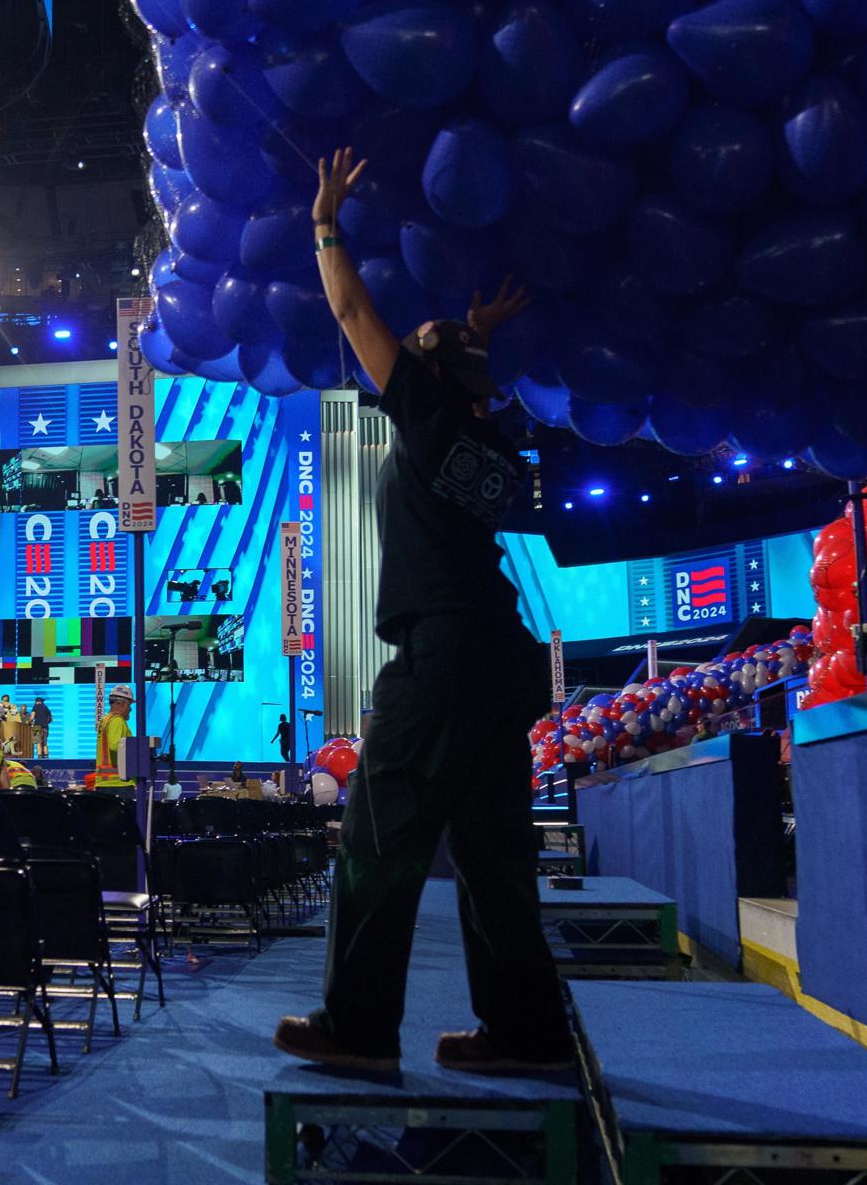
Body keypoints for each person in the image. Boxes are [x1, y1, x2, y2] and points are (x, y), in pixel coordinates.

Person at [273, 147, 574, 1076]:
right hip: (496, 660)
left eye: (427, 340)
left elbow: (353, 309)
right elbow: (459, 366)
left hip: (440, 662)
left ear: (428, 376)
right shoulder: (482, 436)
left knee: (376, 839)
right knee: (492, 859)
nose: (409, 341)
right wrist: (473, 330)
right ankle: (526, 1036)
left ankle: (359, 1030)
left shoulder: (430, 416)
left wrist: (326, 225)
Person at [93, 684, 137, 790]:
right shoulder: (117, 721)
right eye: (129, 705)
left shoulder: (106, 720)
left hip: (106, 783)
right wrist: (139, 751)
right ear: (119, 703)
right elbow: (115, 745)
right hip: (119, 783)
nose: (130, 709)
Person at [30, 695, 52, 761]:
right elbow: (51, 719)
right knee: (45, 743)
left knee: (38, 742)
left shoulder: (35, 707)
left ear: (36, 702)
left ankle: (39, 758)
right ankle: (46, 757)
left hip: (36, 726)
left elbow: (32, 717)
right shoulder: (46, 707)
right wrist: (45, 722)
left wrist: (28, 722)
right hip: (45, 727)